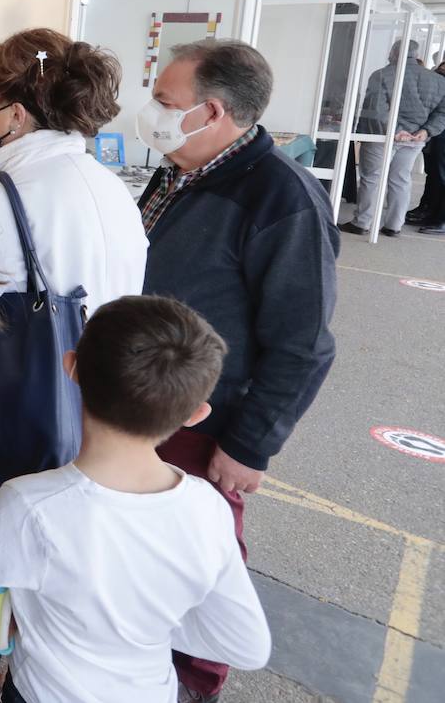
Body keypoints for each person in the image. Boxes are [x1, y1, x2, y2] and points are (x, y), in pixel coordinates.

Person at [0, 29, 149, 703]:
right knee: (57, 563)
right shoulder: (112, 191)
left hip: (9, 420)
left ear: (16, 111)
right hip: (94, 413)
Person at [0, 296, 272, 703]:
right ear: (195, 414)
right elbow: (247, 645)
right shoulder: (208, 509)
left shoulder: (30, 507)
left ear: (72, 368)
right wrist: (142, 626)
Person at [137, 40, 337, 703]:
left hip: (209, 419)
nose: (152, 112)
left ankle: (192, 687)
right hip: (149, 407)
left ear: (212, 111)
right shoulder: (178, 171)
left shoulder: (282, 197)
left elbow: (303, 342)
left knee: (201, 563)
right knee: (144, 554)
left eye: (165, 101)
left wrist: (250, 442)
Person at [342, 39, 445, 237]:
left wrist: (396, 130)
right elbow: (442, 112)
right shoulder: (438, 80)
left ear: (395, 53)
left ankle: (362, 222)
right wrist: (426, 131)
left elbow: (376, 110)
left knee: (372, 178)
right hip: (416, 139)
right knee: (401, 179)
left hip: (382, 135)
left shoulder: (382, 74)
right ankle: (394, 226)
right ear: (415, 54)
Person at [406, 55, 445, 234]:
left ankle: (441, 219)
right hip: (436, 130)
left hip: (441, 128)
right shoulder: (440, 69)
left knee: (442, 174)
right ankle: (429, 208)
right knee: (434, 173)